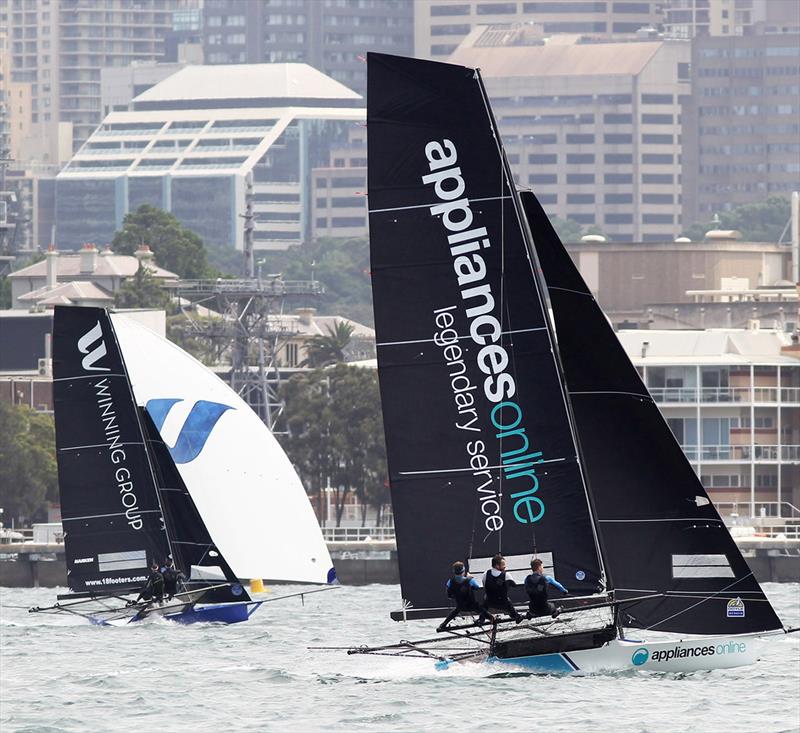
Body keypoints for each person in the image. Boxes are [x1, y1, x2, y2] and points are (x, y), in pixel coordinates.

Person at [437, 561, 494, 632]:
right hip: (473, 606)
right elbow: (476, 588)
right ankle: (491, 620)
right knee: (483, 610)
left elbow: (449, 596)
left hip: (461, 607)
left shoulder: (450, 582)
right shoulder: (470, 580)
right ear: (463, 571)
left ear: (454, 572)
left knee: (455, 611)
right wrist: (469, 578)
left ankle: (443, 624)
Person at [482, 554, 523, 623]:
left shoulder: (485, 574)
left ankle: (481, 619)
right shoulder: (506, 575)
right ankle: (516, 616)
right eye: (503, 564)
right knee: (508, 602)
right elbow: (514, 585)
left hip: (489, 602)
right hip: (503, 603)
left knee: (486, 597)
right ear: (497, 566)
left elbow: (484, 586)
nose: (505, 566)